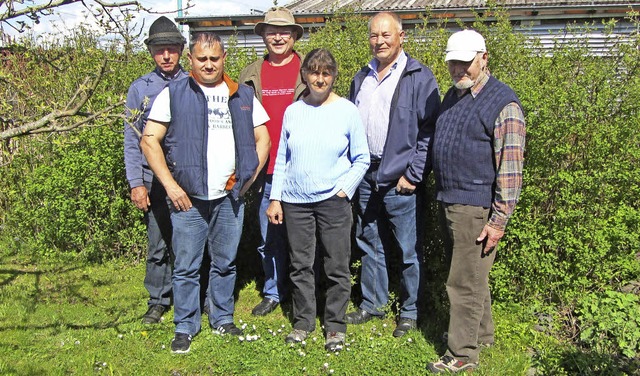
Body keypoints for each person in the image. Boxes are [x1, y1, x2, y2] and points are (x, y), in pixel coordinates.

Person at [140, 32, 271, 354]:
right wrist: (170, 186)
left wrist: (248, 181)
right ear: (191, 61)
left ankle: (222, 317)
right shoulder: (174, 93)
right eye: (202, 59)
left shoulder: (242, 95)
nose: (209, 65)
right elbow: (148, 140)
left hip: (230, 198)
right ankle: (185, 325)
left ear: (224, 59)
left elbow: (263, 139)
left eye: (215, 58)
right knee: (186, 266)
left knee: (225, 263)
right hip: (188, 198)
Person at [427, 30, 526, 373]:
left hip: (476, 206)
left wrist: (498, 221)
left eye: (465, 62)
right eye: (453, 62)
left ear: (484, 57)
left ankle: (462, 354)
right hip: (452, 200)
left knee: (463, 282)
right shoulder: (455, 96)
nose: (458, 69)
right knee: (473, 275)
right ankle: (481, 335)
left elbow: (510, 170)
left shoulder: (503, 103)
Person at [266, 49, 370, 352]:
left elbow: (361, 159)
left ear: (333, 76)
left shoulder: (347, 111)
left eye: (326, 73)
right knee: (300, 265)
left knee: (336, 265)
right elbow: (282, 159)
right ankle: (303, 322)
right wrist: (276, 199)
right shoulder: (293, 111)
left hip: (332, 202)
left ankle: (335, 326)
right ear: (305, 76)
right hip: (295, 202)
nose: (319, 79)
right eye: (314, 72)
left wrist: (343, 190)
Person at [347, 11, 440, 337]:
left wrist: (414, 175)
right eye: (374, 35)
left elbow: (428, 131)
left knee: (407, 248)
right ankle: (373, 304)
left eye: (386, 34)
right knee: (369, 240)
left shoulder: (418, 77)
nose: (380, 41)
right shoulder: (362, 77)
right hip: (366, 173)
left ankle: (410, 312)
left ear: (401, 37)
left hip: (401, 178)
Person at [238, 6, 306, 317]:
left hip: (302, 167)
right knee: (269, 236)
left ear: (293, 36)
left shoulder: (309, 68)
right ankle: (273, 290)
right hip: (266, 168)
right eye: (271, 31)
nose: (278, 36)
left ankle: (305, 291)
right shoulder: (251, 73)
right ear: (264, 35)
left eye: (284, 31)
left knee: (304, 235)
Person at [123, 16, 188, 324]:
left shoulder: (194, 83)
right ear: (151, 52)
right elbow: (131, 138)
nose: (166, 56)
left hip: (188, 178)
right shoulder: (140, 90)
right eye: (160, 49)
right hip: (154, 180)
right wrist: (136, 183)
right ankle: (157, 300)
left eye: (172, 49)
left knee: (189, 241)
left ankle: (192, 295)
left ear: (181, 50)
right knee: (158, 242)